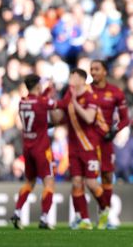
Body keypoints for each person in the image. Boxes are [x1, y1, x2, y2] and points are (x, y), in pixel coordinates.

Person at [52, 68, 108, 230]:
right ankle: (84, 220)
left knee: (91, 182)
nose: (70, 78)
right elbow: (59, 117)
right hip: (73, 147)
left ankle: (104, 208)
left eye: (74, 76)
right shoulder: (68, 95)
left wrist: (75, 102)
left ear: (82, 80)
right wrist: (51, 100)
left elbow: (89, 118)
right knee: (76, 182)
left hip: (89, 146)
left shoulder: (90, 96)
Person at [10, 74, 56, 230]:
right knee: (48, 182)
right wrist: (54, 89)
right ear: (37, 86)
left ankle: (16, 212)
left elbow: (38, 100)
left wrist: (48, 88)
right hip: (41, 148)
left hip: (27, 148)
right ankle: (44, 218)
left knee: (29, 182)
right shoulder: (42, 102)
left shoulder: (22, 102)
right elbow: (57, 105)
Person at [90, 59, 130, 229]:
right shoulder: (85, 91)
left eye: (97, 69)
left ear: (105, 72)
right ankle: (86, 215)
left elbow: (125, 119)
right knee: (87, 179)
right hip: (88, 141)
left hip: (106, 141)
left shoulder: (115, 92)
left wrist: (114, 131)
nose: (93, 72)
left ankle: (103, 217)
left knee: (106, 176)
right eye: (91, 69)